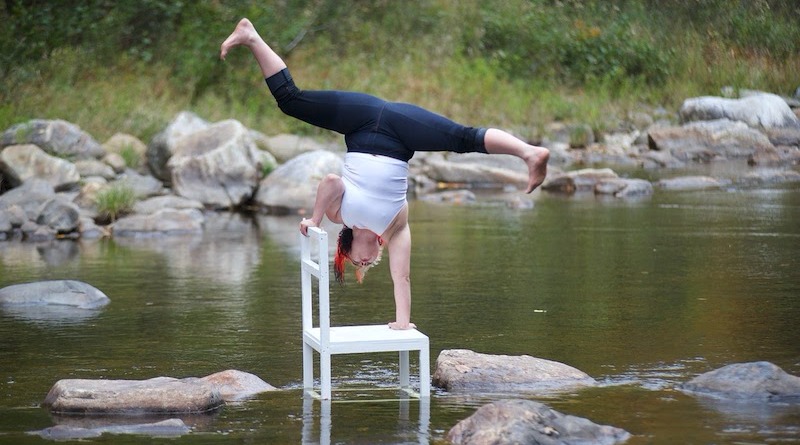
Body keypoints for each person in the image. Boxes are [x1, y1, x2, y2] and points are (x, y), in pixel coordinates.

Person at [221, 18, 549, 330]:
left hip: (361, 121)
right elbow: (402, 278)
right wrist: (402, 321)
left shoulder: (341, 214)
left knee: (291, 101)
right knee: (461, 138)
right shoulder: (395, 229)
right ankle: (530, 153)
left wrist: (315, 220)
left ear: (346, 250)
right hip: (401, 134)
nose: (366, 263)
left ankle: (527, 152)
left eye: (358, 263)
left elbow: (331, 182)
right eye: (365, 265)